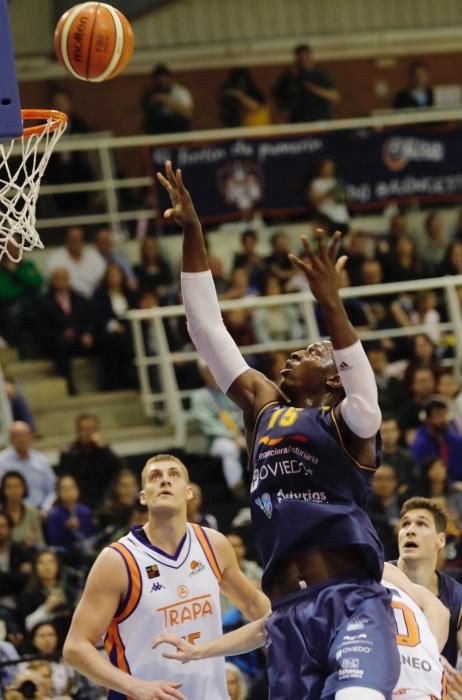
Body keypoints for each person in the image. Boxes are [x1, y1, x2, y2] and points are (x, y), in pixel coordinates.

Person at [157, 160, 399, 699]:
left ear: (334, 375)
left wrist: (331, 305)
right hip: (286, 617)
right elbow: (206, 329)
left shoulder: (349, 423)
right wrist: (193, 232)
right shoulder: (263, 407)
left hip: (352, 603)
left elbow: (364, 393)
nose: (297, 353)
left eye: (315, 351)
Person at [63, 453, 270, 699]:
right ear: (143, 496)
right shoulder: (117, 560)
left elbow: (256, 606)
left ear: (189, 492)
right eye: (155, 476)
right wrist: (135, 687)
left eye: (174, 474)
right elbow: (75, 647)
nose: (164, 480)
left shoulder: (213, 544)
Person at [153, 562, 449, 700]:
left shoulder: (338, 583)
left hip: (394, 681)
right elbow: (437, 609)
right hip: (416, 682)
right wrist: (429, 654)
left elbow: (264, 628)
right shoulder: (379, 572)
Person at [395, 497, 462, 666]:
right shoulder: (376, 578)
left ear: (441, 540)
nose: (410, 530)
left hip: (436, 690)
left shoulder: (457, 598)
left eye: (421, 524)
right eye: (405, 524)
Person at [191, 362, 247, 496]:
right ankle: (236, 487)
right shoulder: (198, 397)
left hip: (242, 434)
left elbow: (242, 414)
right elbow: (208, 426)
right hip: (219, 439)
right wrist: (233, 437)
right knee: (229, 449)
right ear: (203, 374)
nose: (213, 374)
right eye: (208, 371)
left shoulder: (231, 391)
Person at [36, 267, 95, 395]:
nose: (61, 282)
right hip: (57, 341)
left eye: (64, 279)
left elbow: (89, 320)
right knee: (61, 346)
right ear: (53, 282)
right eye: (58, 279)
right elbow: (42, 329)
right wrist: (61, 333)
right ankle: (69, 385)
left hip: (80, 338)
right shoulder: (44, 302)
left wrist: (86, 333)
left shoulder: (80, 299)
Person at [56, 413, 124, 511]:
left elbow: (121, 470)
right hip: (79, 499)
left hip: (104, 497)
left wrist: (104, 449)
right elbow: (64, 479)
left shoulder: (103, 450)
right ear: (78, 432)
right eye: (85, 429)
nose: (89, 433)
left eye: (92, 429)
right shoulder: (69, 453)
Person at [0, 422, 56, 510]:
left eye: (25, 435)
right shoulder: (0, 461)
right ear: (10, 439)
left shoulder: (41, 459)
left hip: (42, 509)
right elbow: (1, 491)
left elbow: (52, 489)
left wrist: (46, 508)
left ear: (31, 437)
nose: (22, 439)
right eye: (17, 436)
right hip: (15, 511)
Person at [273, 44, 340, 123]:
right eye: (301, 58)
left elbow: (335, 97)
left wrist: (313, 89)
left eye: (306, 58)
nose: (304, 61)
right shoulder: (290, 77)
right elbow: (277, 96)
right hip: (299, 121)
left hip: (320, 120)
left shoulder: (320, 75)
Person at [46, 227, 106, 299]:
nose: (76, 242)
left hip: (94, 299)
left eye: (79, 239)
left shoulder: (95, 257)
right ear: (66, 240)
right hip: (67, 300)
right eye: (73, 239)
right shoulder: (55, 259)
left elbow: (104, 280)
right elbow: (54, 284)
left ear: (83, 240)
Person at [411, 398, 462, 479]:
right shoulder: (421, 444)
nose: (443, 420)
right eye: (438, 416)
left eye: (444, 415)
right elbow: (421, 474)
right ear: (428, 419)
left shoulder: (456, 440)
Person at [0, 471, 44, 549]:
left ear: (24, 488)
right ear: (3, 490)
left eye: (17, 486)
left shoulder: (32, 511)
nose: (14, 490)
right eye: (9, 487)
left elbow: (40, 541)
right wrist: (22, 544)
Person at [142, 64, 193, 134]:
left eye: (164, 78)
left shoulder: (179, 91)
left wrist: (163, 98)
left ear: (170, 78)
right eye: (158, 79)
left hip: (179, 130)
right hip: (159, 132)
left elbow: (186, 109)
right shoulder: (151, 94)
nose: (161, 82)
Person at [308, 158, 350, 236]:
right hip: (327, 220)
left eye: (330, 167)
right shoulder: (316, 183)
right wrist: (329, 192)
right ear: (321, 168)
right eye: (326, 167)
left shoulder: (337, 181)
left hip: (342, 218)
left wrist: (342, 194)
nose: (328, 170)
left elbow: (344, 200)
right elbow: (314, 201)